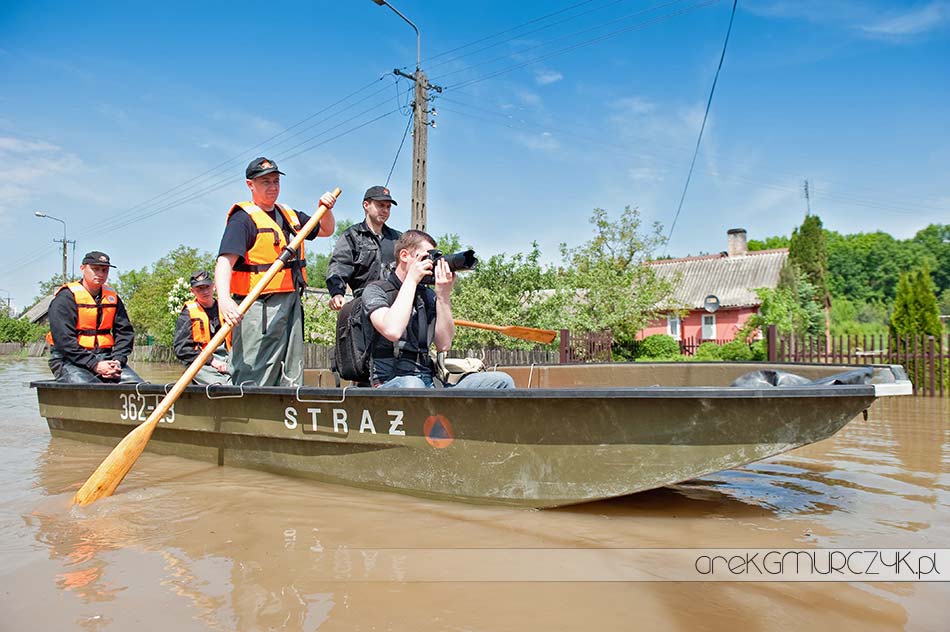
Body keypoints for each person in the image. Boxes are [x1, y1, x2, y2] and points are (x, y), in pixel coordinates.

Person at [215, 157, 336, 387]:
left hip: (291, 302)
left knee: (291, 368)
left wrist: (325, 209)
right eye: (265, 182)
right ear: (250, 185)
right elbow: (224, 262)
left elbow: (327, 230)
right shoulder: (243, 219)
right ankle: (246, 411)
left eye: (275, 181)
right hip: (258, 306)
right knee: (255, 366)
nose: (272, 187)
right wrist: (224, 300)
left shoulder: (289, 215)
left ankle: (285, 413)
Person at [363, 230, 515, 389]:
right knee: (413, 385)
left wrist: (443, 296)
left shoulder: (427, 296)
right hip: (390, 382)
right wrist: (411, 280)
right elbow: (392, 330)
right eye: (425, 257)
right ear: (404, 256)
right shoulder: (376, 290)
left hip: (429, 382)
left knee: (501, 381)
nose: (430, 263)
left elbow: (443, 344)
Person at [46, 250, 143, 384]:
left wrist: (117, 360)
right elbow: (64, 341)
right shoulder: (65, 298)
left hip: (106, 358)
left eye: (104, 270)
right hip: (68, 360)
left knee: (138, 385)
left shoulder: (113, 298)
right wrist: (94, 364)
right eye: (95, 269)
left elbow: (125, 333)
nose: (100, 274)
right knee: (90, 387)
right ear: (83, 268)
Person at [326, 185, 403, 310]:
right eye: (380, 205)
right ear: (366, 205)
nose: (385, 210)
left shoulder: (398, 239)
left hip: (396, 304)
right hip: (364, 305)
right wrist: (337, 293)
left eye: (388, 207)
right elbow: (340, 264)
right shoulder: (352, 236)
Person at [172, 270, 232, 385]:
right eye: (199, 288)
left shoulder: (226, 307)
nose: (205, 291)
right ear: (192, 291)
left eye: (207, 287)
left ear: (213, 286)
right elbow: (182, 349)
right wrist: (211, 361)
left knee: (244, 378)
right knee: (222, 384)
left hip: (229, 358)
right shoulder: (187, 314)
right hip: (201, 363)